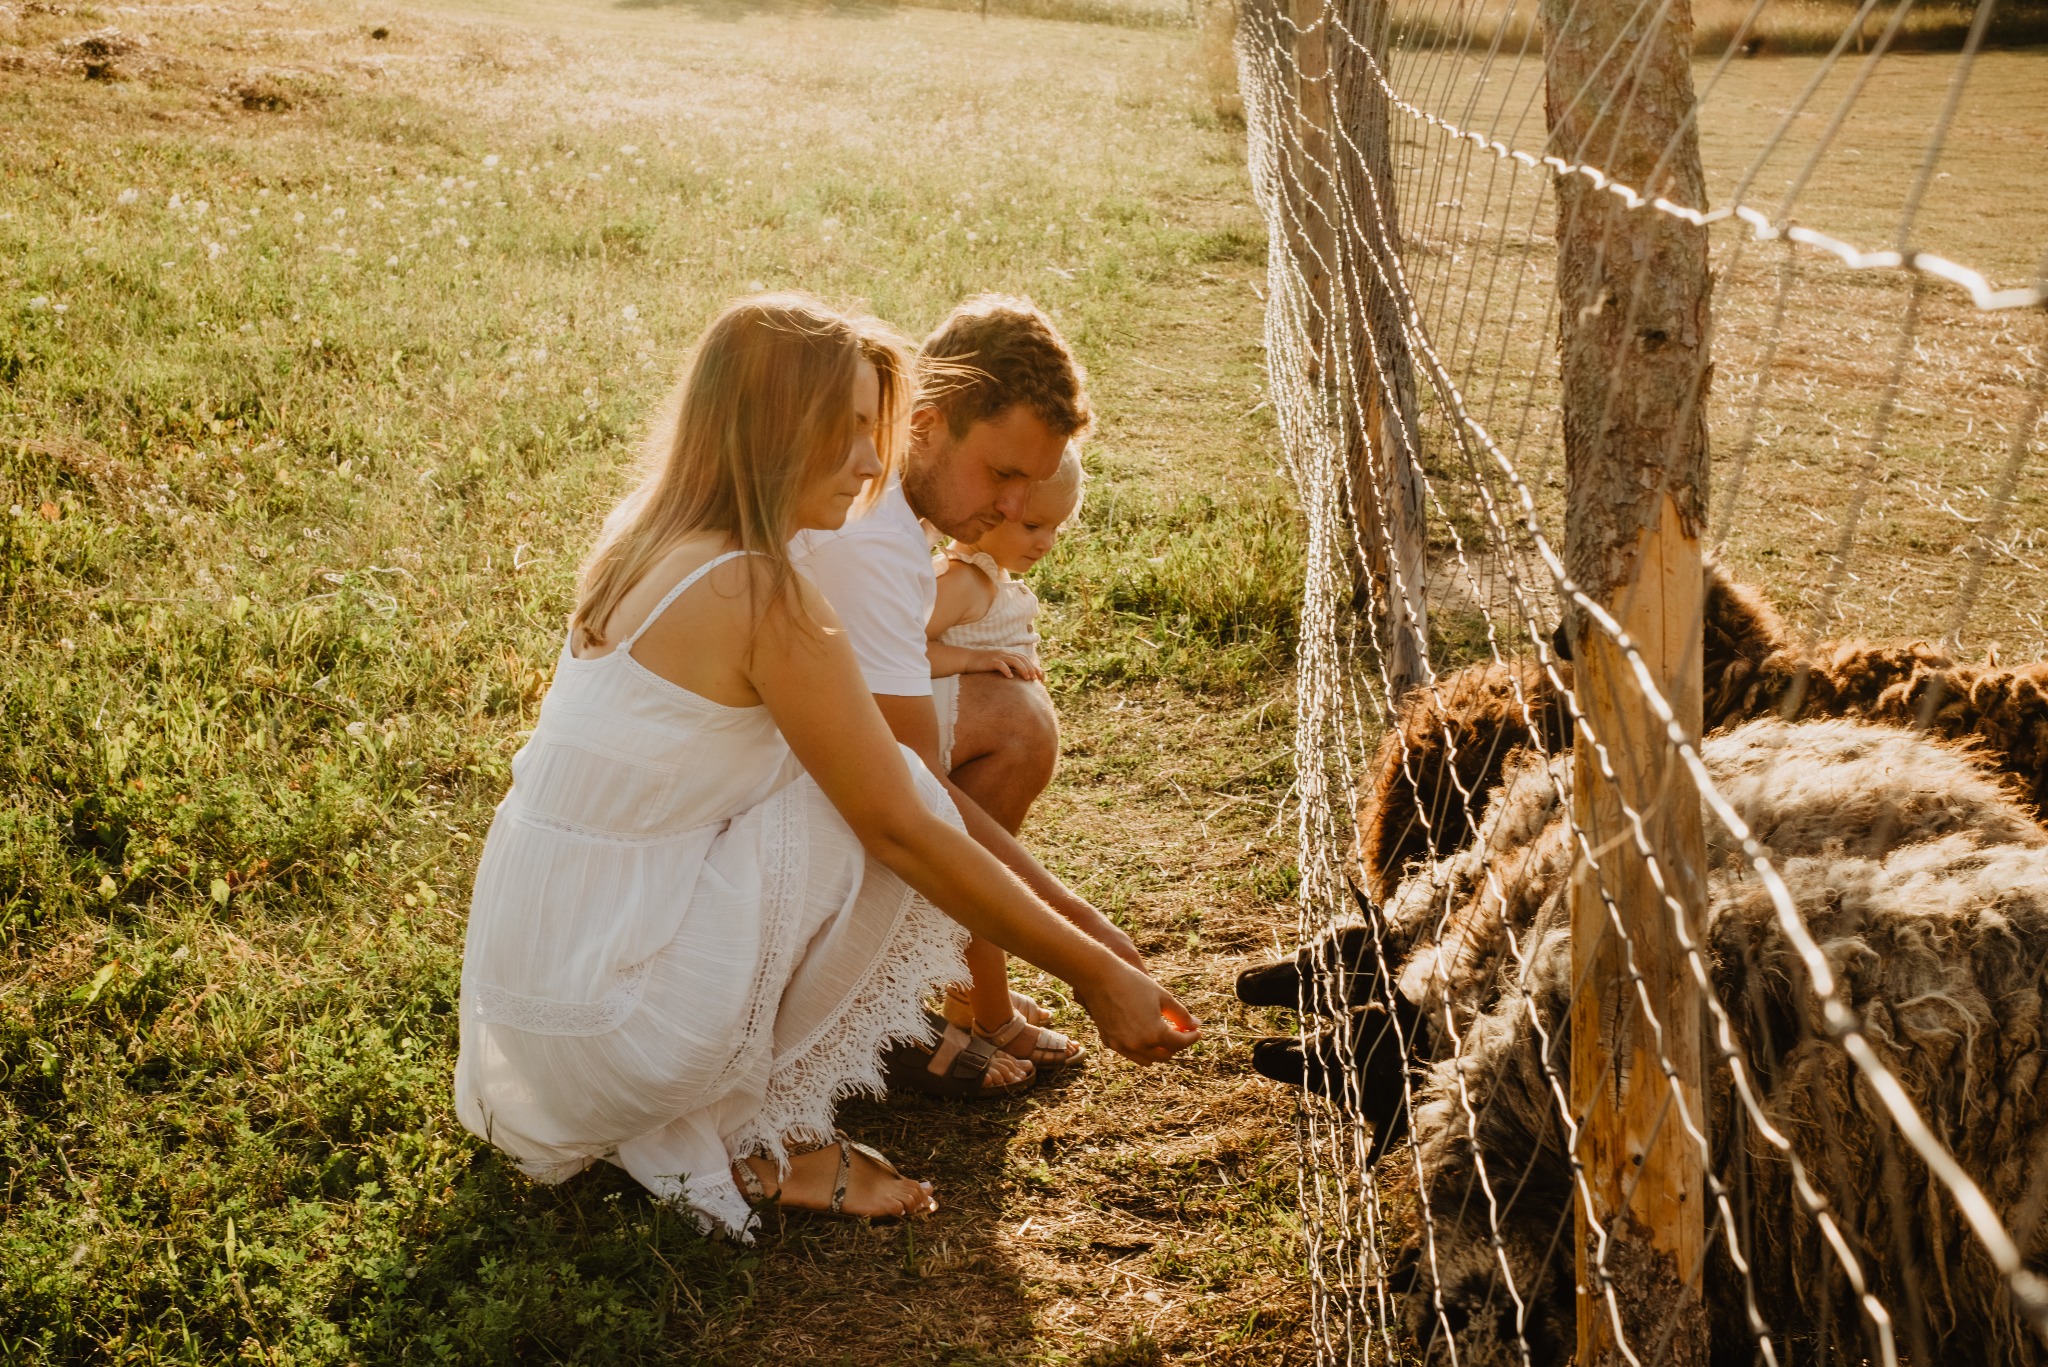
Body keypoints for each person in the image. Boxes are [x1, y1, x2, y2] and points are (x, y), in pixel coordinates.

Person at [453, 294, 1198, 1237]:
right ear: (771, 429)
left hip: (531, 1012)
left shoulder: (652, 532)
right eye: (847, 431)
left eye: (873, 428)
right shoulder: (763, 592)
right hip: (615, 1030)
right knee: (895, 803)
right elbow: (905, 821)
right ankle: (758, 1132)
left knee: (860, 776)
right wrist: (1094, 970)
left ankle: (720, 1101)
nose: (867, 459)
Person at [790, 297, 1139, 1096]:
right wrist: (1086, 943)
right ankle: (885, 1004)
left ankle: (934, 983)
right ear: (926, 423)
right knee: (946, 788)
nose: (1016, 512)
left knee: (1018, 723)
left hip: (797, 760)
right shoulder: (875, 542)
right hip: (752, 809)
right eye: (1005, 473)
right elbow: (915, 802)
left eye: (1035, 482)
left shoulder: (889, 500)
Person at [924, 444, 1086, 1062]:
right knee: (980, 881)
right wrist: (968, 661)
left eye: (1055, 527)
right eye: (1031, 524)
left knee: (983, 876)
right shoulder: (962, 582)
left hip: (970, 737)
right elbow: (887, 650)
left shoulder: (989, 578)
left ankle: (974, 996)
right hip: (939, 740)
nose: (1046, 541)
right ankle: (989, 1015)